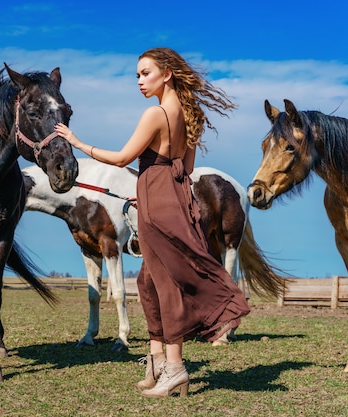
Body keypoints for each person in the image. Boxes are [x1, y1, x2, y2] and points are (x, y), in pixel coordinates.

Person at [54, 47, 250, 398]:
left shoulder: (155, 114)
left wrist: (77, 142)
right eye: (138, 76)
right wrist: (146, 192)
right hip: (169, 196)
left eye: (145, 73)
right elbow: (186, 169)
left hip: (159, 200)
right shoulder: (190, 116)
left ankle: (175, 369)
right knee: (147, 281)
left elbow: (122, 158)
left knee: (165, 283)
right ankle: (158, 359)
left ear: (167, 74)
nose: (140, 81)